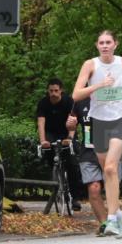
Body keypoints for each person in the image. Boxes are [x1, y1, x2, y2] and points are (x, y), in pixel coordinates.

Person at [71, 30, 122, 238]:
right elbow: (76, 94)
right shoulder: (90, 65)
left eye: (108, 42)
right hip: (98, 122)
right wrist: (100, 84)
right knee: (107, 173)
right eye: (101, 42)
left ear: (115, 44)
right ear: (97, 46)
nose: (105, 45)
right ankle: (117, 212)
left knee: (110, 168)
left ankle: (111, 220)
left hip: (120, 119)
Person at [68, 97, 122, 237]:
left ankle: (114, 219)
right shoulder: (80, 102)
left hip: (109, 152)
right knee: (94, 189)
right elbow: (71, 125)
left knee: (111, 187)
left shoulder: (111, 98)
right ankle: (105, 224)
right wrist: (71, 126)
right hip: (88, 153)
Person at [36, 77, 82, 211]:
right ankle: (57, 182)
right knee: (50, 156)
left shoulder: (68, 101)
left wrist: (69, 138)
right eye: (51, 91)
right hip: (51, 133)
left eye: (56, 90)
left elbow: (73, 121)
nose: (53, 93)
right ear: (48, 91)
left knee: (72, 164)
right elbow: (41, 122)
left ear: (61, 90)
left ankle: (75, 198)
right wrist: (43, 140)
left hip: (67, 131)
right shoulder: (43, 103)